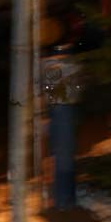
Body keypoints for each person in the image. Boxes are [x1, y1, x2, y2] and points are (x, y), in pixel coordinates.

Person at [43, 42, 84, 211]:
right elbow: (76, 89)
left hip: (57, 110)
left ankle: (61, 198)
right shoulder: (69, 63)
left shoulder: (48, 64)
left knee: (59, 155)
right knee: (65, 156)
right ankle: (65, 200)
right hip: (65, 110)